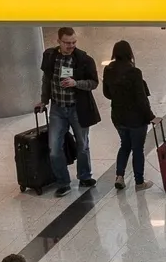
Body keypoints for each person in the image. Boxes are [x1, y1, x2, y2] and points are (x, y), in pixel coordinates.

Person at [38, 27, 101, 198]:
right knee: (54, 148)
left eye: (73, 42)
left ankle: (85, 177)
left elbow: (94, 83)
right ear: (58, 41)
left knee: (83, 145)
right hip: (57, 109)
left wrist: (76, 83)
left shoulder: (84, 59)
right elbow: (46, 80)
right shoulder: (50, 56)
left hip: (77, 108)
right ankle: (63, 182)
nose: (71, 45)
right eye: (67, 43)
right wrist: (44, 100)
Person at [102, 40, 155, 191]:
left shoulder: (108, 69)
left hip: (118, 117)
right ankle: (139, 183)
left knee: (125, 145)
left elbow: (107, 93)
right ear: (130, 53)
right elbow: (141, 98)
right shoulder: (134, 72)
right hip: (136, 119)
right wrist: (151, 117)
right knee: (137, 149)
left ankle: (119, 176)